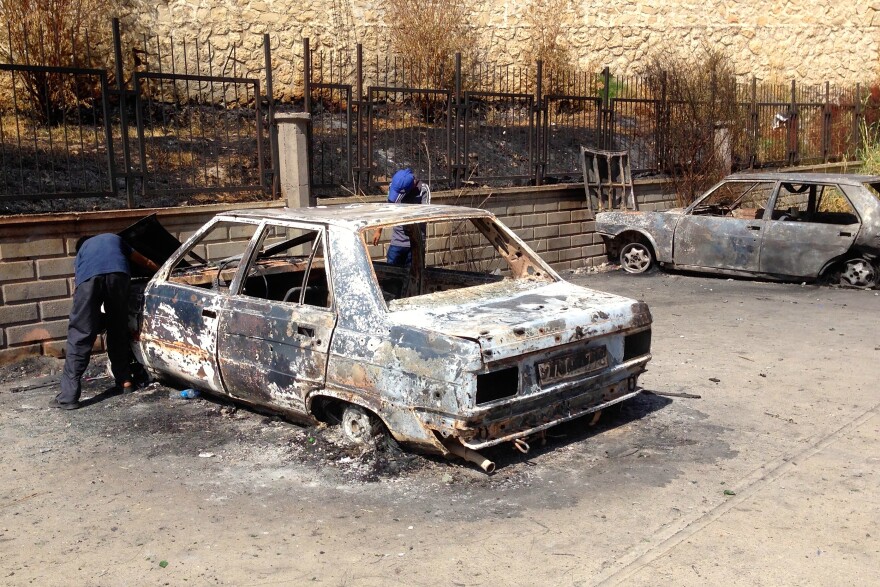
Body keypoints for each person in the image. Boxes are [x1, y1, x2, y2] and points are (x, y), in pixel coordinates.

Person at [51, 234, 159, 410]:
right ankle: (125, 381)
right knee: (117, 328)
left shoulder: (83, 251)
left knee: (80, 334)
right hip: (119, 276)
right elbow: (145, 262)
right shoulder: (114, 239)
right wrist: (165, 272)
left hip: (89, 281)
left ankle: (68, 397)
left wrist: (87, 319)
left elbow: (78, 285)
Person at [371, 168, 430, 266]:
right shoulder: (394, 187)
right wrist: (378, 229)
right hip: (397, 242)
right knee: (392, 276)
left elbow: (426, 214)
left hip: (415, 244)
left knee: (413, 277)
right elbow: (387, 207)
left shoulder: (423, 190)